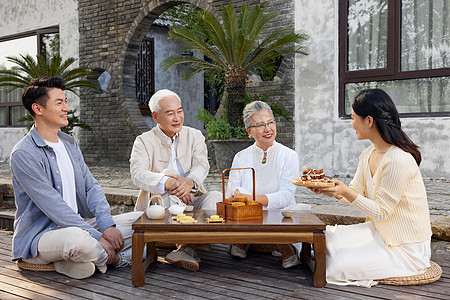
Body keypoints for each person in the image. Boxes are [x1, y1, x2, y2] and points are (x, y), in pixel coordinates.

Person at [10, 77, 142, 279]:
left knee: (141, 221)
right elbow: (54, 206)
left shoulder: (69, 143)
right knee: (77, 240)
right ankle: (117, 259)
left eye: (65, 101)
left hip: (81, 224)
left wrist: (107, 225)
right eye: (59, 102)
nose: (66, 108)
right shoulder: (24, 154)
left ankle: (78, 261)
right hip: (44, 235)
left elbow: (91, 186)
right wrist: (98, 237)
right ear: (38, 109)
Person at [309, 89, 432, 287]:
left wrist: (345, 192)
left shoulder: (398, 159)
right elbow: (353, 191)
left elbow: (381, 211)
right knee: (328, 239)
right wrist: (327, 187)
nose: (351, 124)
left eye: (352, 118)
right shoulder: (368, 154)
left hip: (405, 247)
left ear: (368, 121)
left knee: (336, 267)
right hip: (380, 233)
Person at [129, 89, 222, 271]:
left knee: (216, 197)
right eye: (170, 113)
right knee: (168, 183)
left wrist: (189, 183)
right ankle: (191, 245)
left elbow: (202, 165)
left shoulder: (195, 135)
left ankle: (185, 247)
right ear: (155, 117)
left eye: (179, 111)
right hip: (163, 202)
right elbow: (137, 173)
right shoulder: (143, 141)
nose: (177, 118)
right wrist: (169, 182)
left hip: (192, 198)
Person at [225, 101, 300, 268]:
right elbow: (232, 191)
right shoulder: (240, 157)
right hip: (248, 213)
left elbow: (286, 195)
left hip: (279, 213)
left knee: (284, 211)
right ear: (249, 131)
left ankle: (283, 246)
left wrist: (252, 198)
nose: (268, 129)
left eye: (270, 122)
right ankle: (243, 240)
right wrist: (246, 199)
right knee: (233, 200)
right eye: (260, 125)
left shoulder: (289, 156)